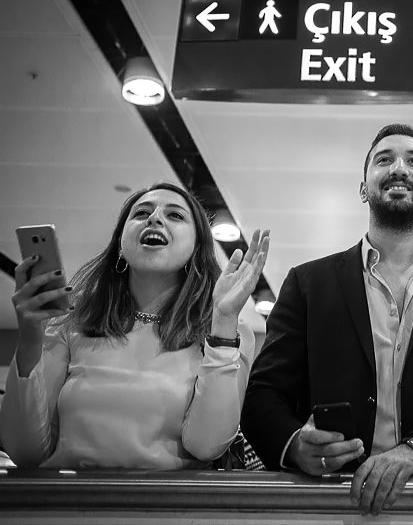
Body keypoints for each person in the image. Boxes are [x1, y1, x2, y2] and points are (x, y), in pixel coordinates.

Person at [241, 124, 413, 514]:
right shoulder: (308, 283)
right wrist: (292, 445)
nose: (398, 168)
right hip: (331, 498)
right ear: (363, 189)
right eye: (383, 159)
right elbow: (262, 396)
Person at [0, 181, 269, 469]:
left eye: (175, 216)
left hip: (172, 508)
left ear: (196, 247)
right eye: (141, 213)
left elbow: (207, 446)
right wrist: (29, 340)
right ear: (120, 241)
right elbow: (25, 452)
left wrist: (224, 320)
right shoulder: (70, 320)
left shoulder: (228, 330)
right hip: (69, 505)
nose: (155, 219)